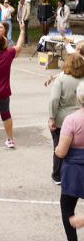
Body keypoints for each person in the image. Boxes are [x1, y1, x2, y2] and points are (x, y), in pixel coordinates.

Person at [53, 82, 84, 241]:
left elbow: (62, 151)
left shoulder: (72, 120)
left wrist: (57, 150)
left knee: (67, 207)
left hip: (74, 170)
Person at [48, 54, 84, 184]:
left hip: (62, 120)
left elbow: (54, 99)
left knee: (59, 147)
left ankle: (57, 175)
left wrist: (51, 117)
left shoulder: (61, 80)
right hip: (81, 118)